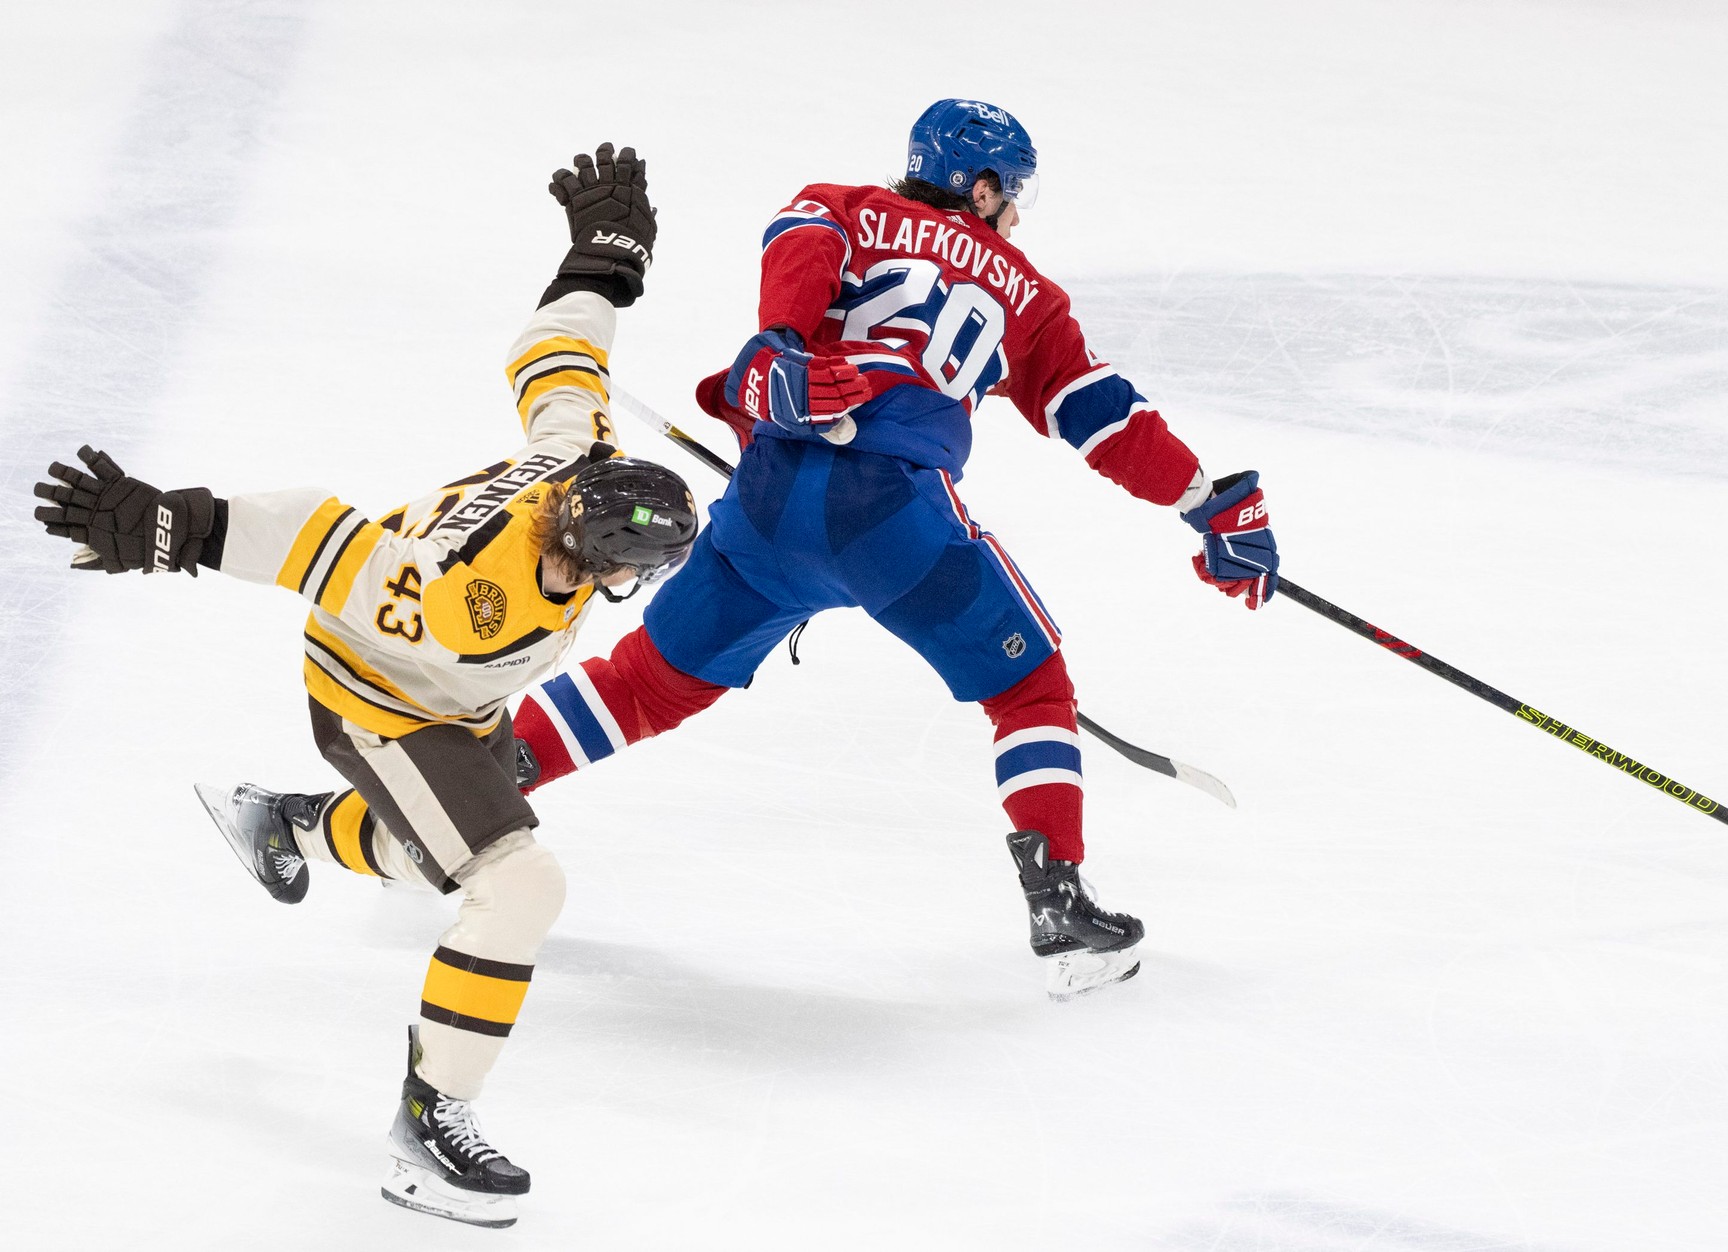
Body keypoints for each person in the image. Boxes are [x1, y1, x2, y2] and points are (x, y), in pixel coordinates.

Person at [30, 144, 696, 1229]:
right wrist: (171, 525)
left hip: (461, 701)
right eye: (619, 569)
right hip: (382, 703)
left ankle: (286, 823)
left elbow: (559, 351)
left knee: (425, 857)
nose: (612, 583)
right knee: (516, 885)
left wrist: (602, 256)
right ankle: (428, 1126)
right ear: (609, 556)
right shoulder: (453, 592)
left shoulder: (579, 462)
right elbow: (311, 533)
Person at [509, 99, 1281, 1001]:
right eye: (1012, 193)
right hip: (893, 518)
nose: (1018, 214)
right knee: (1028, 687)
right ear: (980, 186)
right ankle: (1060, 904)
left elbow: (794, 248)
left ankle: (455, 800)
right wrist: (1206, 501)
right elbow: (1103, 416)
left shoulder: (835, 205)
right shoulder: (1028, 293)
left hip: (765, 507)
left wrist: (781, 348)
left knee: (646, 682)